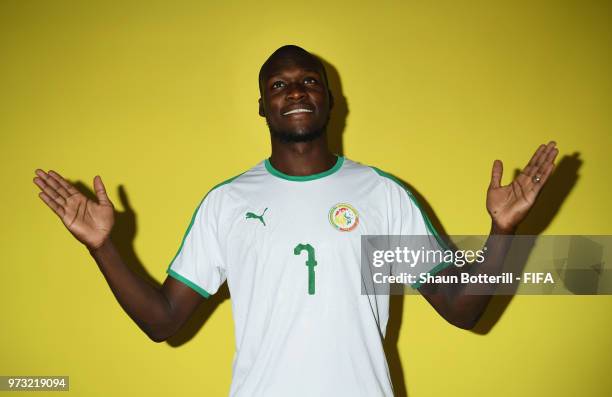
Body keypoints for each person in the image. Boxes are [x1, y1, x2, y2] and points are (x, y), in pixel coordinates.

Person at [32, 45, 558, 396]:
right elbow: (163, 320)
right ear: (262, 106)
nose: (296, 92)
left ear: (330, 100)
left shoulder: (381, 195)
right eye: (279, 85)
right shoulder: (229, 203)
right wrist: (103, 246)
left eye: (309, 81)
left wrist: (502, 232)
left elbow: (461, 308)